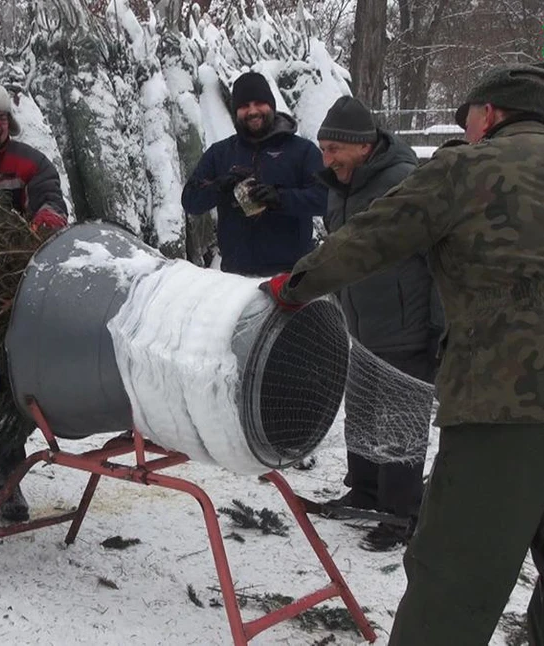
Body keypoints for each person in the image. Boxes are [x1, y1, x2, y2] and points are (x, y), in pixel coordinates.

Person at [263, 63, 544, 645]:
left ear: (489, 114)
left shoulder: (467, 169)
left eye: (468, 115)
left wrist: (294, 285)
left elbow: (373, 236)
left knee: (452, 582)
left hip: (509, 406)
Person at [314, 96, 442, 551]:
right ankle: (365, 489)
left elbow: (438, 259)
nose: (327, 159)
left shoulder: (405, 183)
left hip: (405, 327)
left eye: (334, 149)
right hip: (361, 327)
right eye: (323, 149)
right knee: (363, 411)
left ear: (364, 146)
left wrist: (437, 328)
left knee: (402, 422)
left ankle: (400, 514)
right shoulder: (340, 186)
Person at [0, 79, 69, 522]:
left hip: (13, 290)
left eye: (1, 118)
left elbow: (51, 202)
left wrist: (44, 221)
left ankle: (8, 479)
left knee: (9, 387)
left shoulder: (29, 163)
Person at [180, 71, 326, 277]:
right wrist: (220, 187)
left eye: (259, 103)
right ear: (235, 111)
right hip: (235, 279)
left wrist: (280, 198)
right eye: (244, 106)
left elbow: (325, 199)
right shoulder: (220, 153)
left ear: (272, 106)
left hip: (292, 278)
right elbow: (190, 201)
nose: (252, 111)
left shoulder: (302, 151)